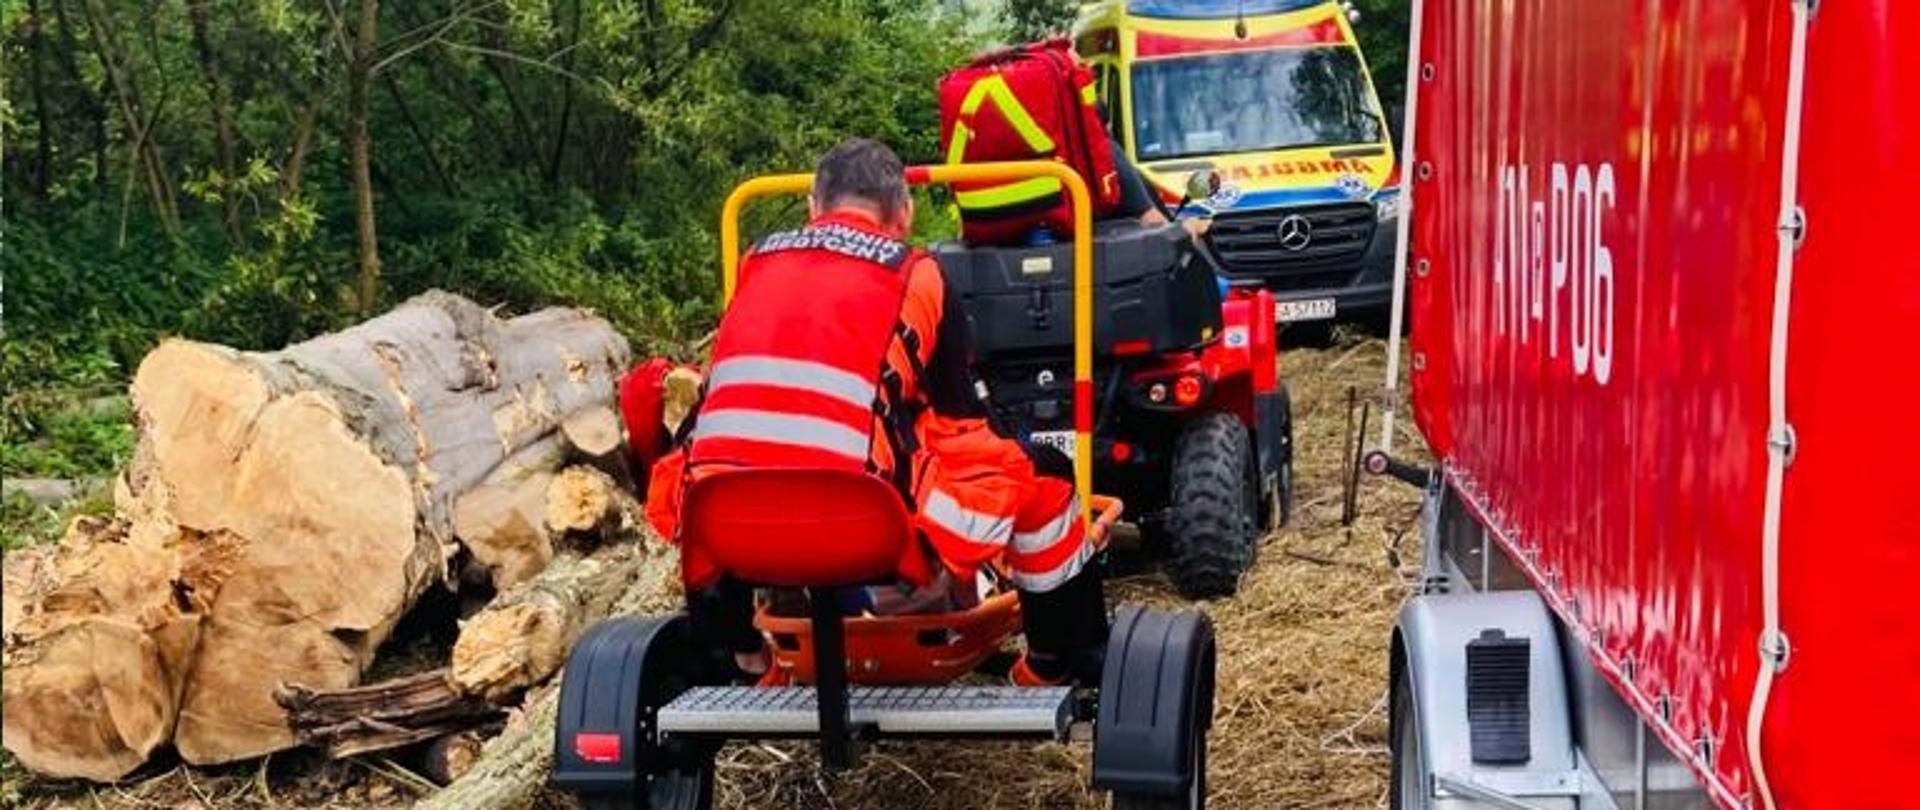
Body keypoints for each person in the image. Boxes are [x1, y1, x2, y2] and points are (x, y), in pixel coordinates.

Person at [645, 138, 1110, 688]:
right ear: (904, 213)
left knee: (707, 471)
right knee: (1046, 476)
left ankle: (746, 662)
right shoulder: (918, 273)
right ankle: (1052, 665)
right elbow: (961, 424)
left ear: (813, 207)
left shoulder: (756, 262)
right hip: (864, 527)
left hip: (728, 528)